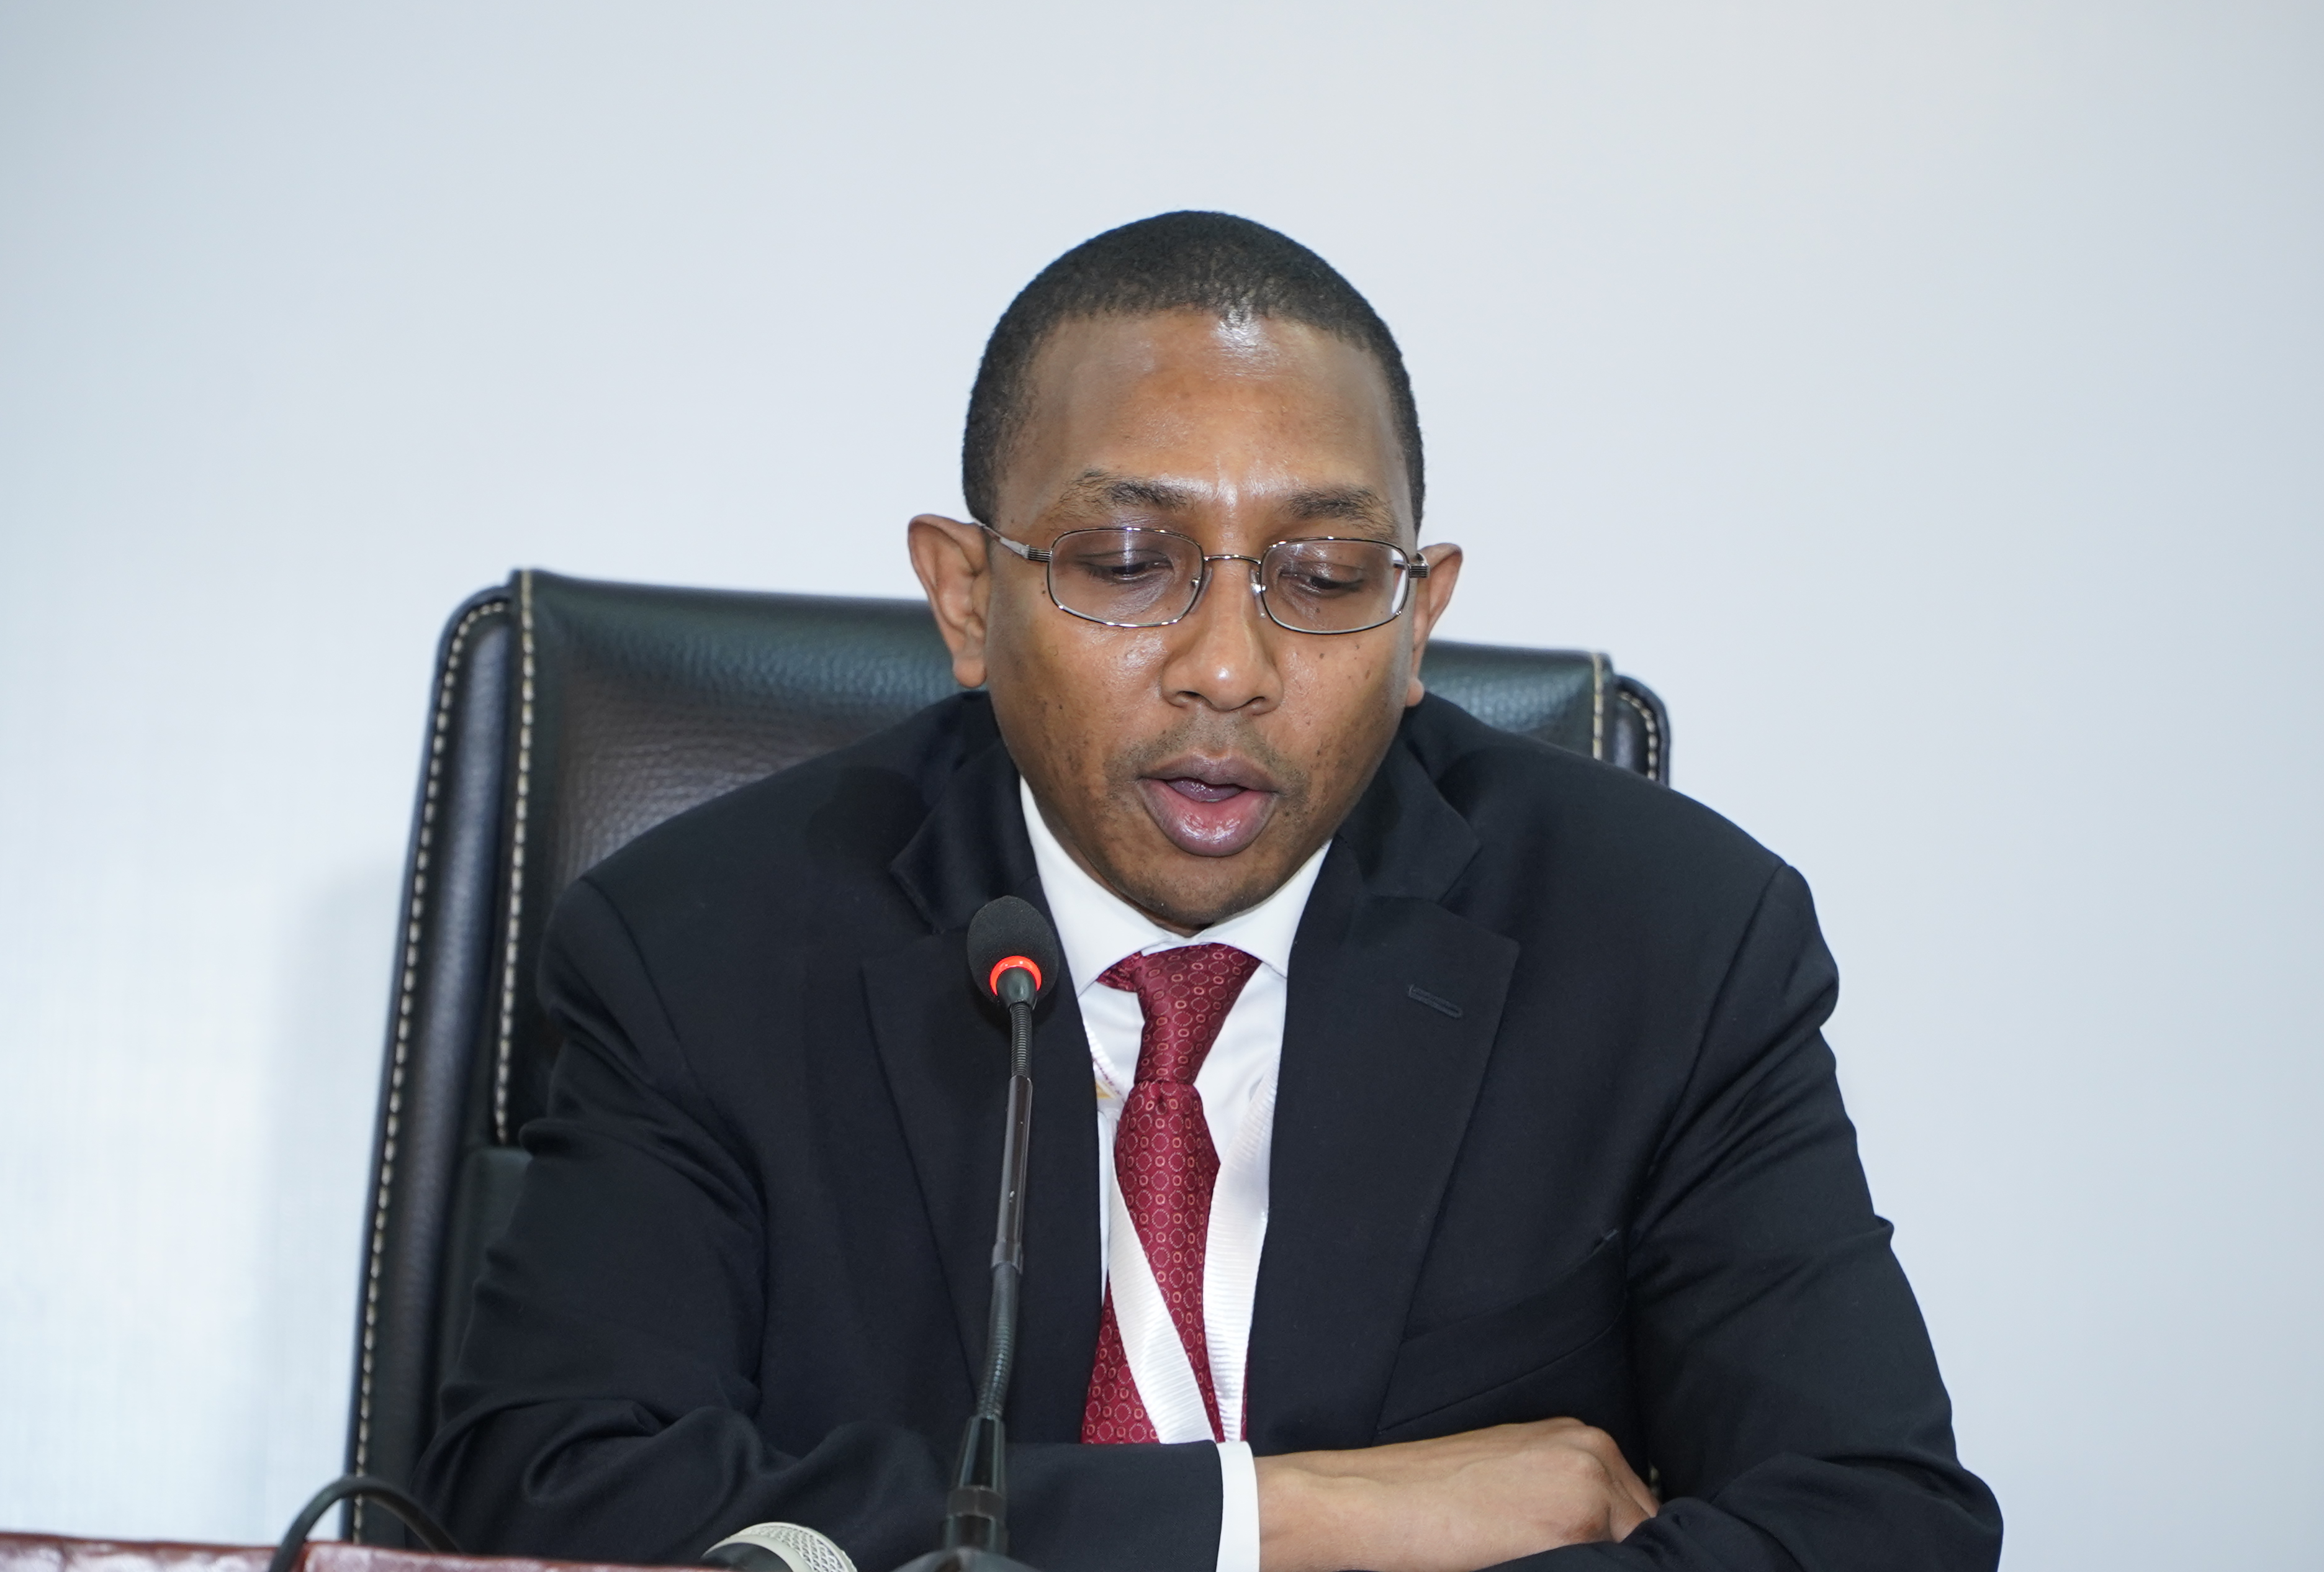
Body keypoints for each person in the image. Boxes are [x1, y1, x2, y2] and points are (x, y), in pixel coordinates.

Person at [417, 212, 2002, 1572]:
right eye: (1123, 561)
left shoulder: (1668, 944)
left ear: (1418, 614)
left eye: (1321, 581)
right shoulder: (702, 950)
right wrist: (1272, 1521)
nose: (1230, 669)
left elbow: (1877, 1521)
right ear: (970, 600)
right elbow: (551, 1503)